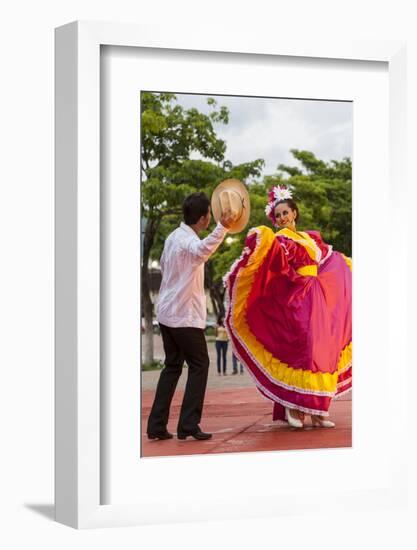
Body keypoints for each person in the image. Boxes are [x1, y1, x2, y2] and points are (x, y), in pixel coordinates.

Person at [224, 185, 352, 429]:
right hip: (296, 297)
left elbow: (327, 260)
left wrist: (345, 268)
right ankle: (293, 407)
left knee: (320, 352)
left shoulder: (310, 237)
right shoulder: (281, 240)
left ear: (294, 213)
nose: (282, 218)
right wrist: (263, 236)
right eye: (278, 215)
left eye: (285, 213)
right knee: (302, 350)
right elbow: (277, 263)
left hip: (318, 297)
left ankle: (318, 411)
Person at [146, 192, 235, 441]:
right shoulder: (188, 242)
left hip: (166, 313)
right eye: (210, 214)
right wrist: (223, 228)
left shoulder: (173, 237)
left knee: (172, 367)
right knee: (200, 365)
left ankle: (156, 426)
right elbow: (201, 250)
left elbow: (166, 265)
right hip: (183, 315)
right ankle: (188, 425)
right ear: (204, 218)